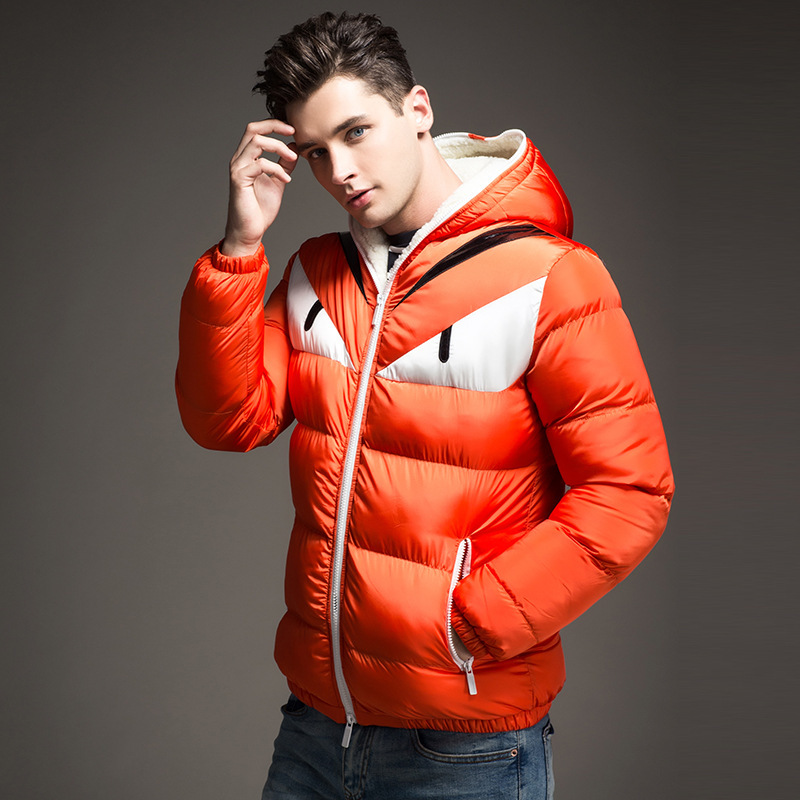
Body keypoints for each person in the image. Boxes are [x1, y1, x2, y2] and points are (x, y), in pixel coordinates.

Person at [175, 11, 674, 800]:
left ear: (417, 109)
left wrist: (467, 627)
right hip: (317, 727)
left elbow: (629, 493)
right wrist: (239, 250)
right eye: (317, 152)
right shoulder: (314, 272)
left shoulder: (550, 278)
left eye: (356, 132)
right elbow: (228, 421)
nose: (341, 170)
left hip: (464, 746)